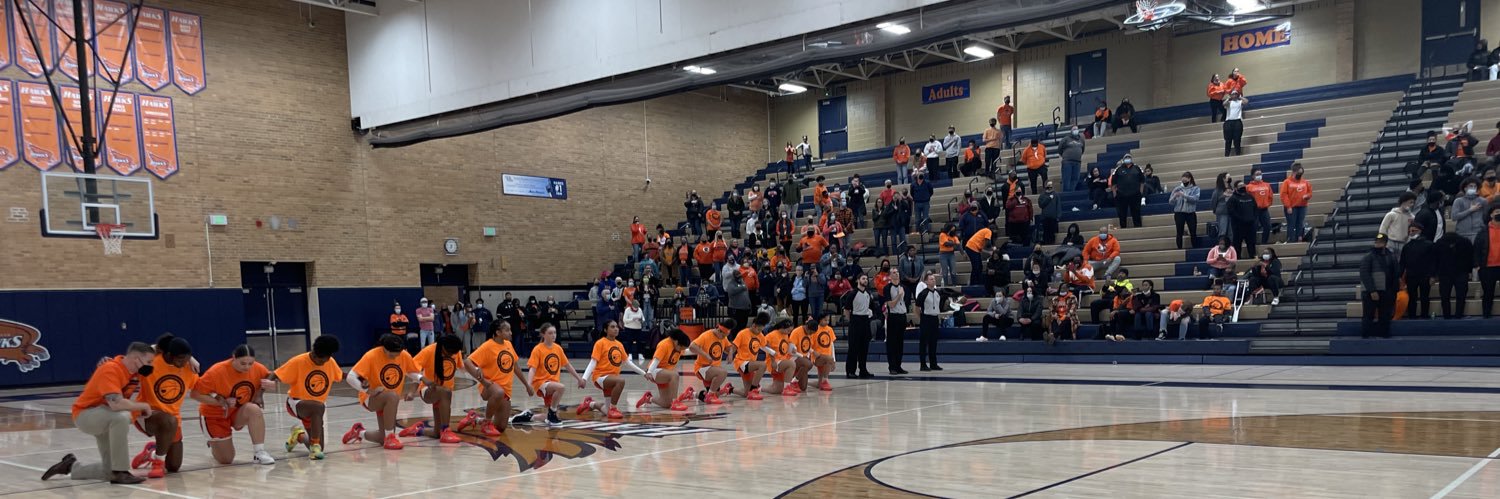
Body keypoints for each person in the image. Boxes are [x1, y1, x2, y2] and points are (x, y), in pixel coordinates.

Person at [41, 342, 158, 484]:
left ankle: (70, 466)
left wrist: (190, 358)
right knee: (122, 417)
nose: (151, 365)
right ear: (136, 359)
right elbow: (116, 404)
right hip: (86, 415)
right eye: (149, 362)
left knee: (108, 471)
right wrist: (143, 406)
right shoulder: (110, 369)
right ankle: (121, 472)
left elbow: (163, 345)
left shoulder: (133, 372)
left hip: (105, 416)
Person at [119, 334, 195, 479]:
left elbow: (200, 389)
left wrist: (219, 398)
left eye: (186, 358)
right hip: (147, 414)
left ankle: (151, 452)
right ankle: (157, 463)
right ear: (168, 354)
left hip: (172, 419)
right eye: (180, 359)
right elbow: (130, 362)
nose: (183, 362)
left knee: (174, 466)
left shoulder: (189, 367)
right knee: (168, 420)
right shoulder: (151, 363)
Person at [193, 345, 276, 465]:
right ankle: (213, 442)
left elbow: (272, 375)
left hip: (237, 412)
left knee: (253, 409)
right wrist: (220, 401)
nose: (247, 367)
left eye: (250, 363)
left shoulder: (258, 368)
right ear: (233, 358)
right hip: (214, 415)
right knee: (226, 460)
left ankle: (259, 452)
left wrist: (265, 390)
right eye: (243, 363)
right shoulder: (216, 371)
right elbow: (196, 394)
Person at [342, 333, 421, 450]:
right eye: (392, 355)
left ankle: (358, 432)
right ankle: (390, 438)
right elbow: (351, 377)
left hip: (390, 400)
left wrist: (415, 386)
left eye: (397, 355)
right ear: (384, 349)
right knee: (392, 396)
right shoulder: (371, 356)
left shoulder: (404, 355)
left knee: (381, 438)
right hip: (372, 398)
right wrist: (368, 390)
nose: (395, 358)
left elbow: (413, 372)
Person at [459, 322, 534, 436]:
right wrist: (483, 381)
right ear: (498, 332)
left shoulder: (508, 344)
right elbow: (467, 362)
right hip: (490, 387)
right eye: (507, 330)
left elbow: (515, 366)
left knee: (501, 427)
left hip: (505, 390)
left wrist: (526, 385)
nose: (511, 333)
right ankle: (487, 422)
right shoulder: (488, 346)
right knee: (499, 392)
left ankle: (474, 419)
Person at [397, 334, 467, 442]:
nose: (451, 355)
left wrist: (479, 372)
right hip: (428, 390)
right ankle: (446, 431)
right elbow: (412, 370)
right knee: (446, 392)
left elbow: (463, 367)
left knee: (436, 433)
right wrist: (411, 392)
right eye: (449, 353)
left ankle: (417, 430)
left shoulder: (455, 351)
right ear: (443, 346)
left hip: (444, 396)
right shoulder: (429, 351)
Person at [577, 320, 650, 419]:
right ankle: (613, 408)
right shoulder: (600, 343)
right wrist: (584, 379)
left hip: (612, 378)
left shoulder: (619, 345)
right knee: (620, 381)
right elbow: (592, 362)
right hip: (601, 377)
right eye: (612, 327)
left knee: (606, 412)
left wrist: (644, 373)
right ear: (605, 330)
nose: (616, 329)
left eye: (616, 327)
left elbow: (628, 363)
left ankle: (590, 404)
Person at [637, 329, 699, 411]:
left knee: (666, 404)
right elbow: (656, 360)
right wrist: (649, 372)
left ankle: (648, 398)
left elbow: (686, 352)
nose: (681, 350)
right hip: (655, 371)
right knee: (674, 375)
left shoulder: (677, 345)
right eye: (681, 348)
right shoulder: (664, 345)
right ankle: (675, 402)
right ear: (677, 342)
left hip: (666, 374)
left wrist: (701, 351)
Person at [725, 313, 775, 400]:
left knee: (745, 393)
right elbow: (733, 346)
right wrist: (730, 354)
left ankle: (730, 389)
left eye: (761, 330)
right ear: (754, 326)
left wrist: (773, 358)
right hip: (741, 362)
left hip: (751, 364)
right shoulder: (743, 333)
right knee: (762, 365)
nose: (759, 332)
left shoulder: (760, 335)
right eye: (758, 329)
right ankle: (754, 389)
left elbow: (766, 346)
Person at [1360, 234, 1401, 337]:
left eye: (1381, 242)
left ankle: (1384, 335)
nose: (1378, 244)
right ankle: (1365, 337)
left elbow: (1396, 274)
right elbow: (1364, 274)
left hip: (1387, 291)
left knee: (1385, 316)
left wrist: (1394, 290)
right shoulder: (1368, 256)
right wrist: (1372, 290)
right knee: (1368, 315)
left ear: (1385, 243)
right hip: (1371, 292)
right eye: (1377, 242)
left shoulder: (1391, 256)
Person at [691, 320, 735, 404]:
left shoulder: (723, 337)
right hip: (702, 368)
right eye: (723, 335)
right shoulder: (706, 335)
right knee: (723, 372)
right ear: (719, 330)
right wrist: (706, 355)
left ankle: (693, 394)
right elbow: (692, 346)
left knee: (716, 395)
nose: (724, 338)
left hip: (713, 370)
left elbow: (729, 347)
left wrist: (730, 353)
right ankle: (710, 395)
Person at [841, 274, 875, 379]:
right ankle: (850, 371)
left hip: (865, 321)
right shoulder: (852, 294)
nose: (865, 280)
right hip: (855, 321)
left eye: (866, 279)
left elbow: (871, 307)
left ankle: (863, 370)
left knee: (864, 348)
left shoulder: (868, 293)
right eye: (863, 278)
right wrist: (852, 320)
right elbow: (846, 310)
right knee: (853, 348)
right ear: (858, 280)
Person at [1437, 230, 1476, 319]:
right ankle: (1459, 315)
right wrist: (1469, 271)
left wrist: (1435, 273)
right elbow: (1470, 257)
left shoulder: (1439, 243)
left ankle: (1446, 315)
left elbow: (1435, 259)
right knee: (1461, 296)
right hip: (1462, 272)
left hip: (1444, 273)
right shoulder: (1466, 242)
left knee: (1445, 296)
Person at [791, 316, 837, 391]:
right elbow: (791, 350)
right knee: (809, 364)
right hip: (795, 358)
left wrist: (811, 352)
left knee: (803, 388)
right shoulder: (796, 332)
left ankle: (824, 381)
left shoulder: (812, 332)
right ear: (807, 327)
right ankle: (793, 381)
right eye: (810, 332)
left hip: (805, 358)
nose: (811, 334)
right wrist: (806, 355)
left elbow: (807, 346)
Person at [1401, 223, 1436, 319]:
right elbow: (1402, 263)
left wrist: (1433, 275)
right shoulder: (1407, 246)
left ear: (1420, 231)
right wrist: (1400, 277)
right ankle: (1412, 315)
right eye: (1410, 231)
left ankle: (1424, 315)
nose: (1411, 233)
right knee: (1412, 298)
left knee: (1425, 297)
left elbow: (1433, 261)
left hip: (1425, 275)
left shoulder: (1429, 244)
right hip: (1411, 276)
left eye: (1413, 231)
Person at [915, 273, 945, 371]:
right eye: (931, 279)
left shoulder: (938, 293)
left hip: (935, 319)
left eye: (934, 279)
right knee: (924, 343)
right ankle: (923, 364)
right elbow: (916, 308)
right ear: (926, 281)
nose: (933, 280)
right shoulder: (923, 293)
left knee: (933, 342)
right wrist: (922, 318)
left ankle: (933, 363)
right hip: (926, 319)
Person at [1476, 206, 1500, 318]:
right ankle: (1486, 315)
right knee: (1488, 293)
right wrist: (1477, 265)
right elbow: (1477, 248)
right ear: (1491, 215)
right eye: (1497, 212)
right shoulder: (1483, 231)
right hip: (1487, 267)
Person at [1280, 163, 1313, 243]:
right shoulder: (1287, 182)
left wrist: (1307, 196)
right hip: (1292, 207)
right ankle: (1291, 240)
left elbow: (1310, 192)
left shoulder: (1305, 182)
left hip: (1302, 206)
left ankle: (1299, 239)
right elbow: (1284, 195)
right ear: (1294, 172)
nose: (1300, 174)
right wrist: (1288, 206)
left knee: (1300, 223)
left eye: (1301, 173)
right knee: (1291, 224)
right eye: (1299, 172)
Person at [884, 269, 909, 374]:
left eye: (897, 272)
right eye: (893, 272)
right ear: (890, 276)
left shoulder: (904, 287)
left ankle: (898, 366)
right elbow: (891, 305)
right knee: (892, 343)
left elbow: (906, 303)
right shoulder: (887, 288)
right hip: (893, 317)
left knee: (900, 343)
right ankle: (892, 366)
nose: (896, 273)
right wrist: (899, 295)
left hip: (902, 316)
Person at [1110, 155, 1145, 228]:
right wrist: (1114, 194)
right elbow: (1113, 183)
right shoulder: (1118, 169)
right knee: (1122, 214)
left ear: (1131, 159)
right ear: (1123, 159)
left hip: (1135, 195)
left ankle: (1138, 228)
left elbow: (1142, 181)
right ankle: (1123, 227)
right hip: (1121, 195)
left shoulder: (1137, 168)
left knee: (1136, 212)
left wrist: (1140, 192)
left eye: (1129, 157)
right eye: (1126, 158)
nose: (1127, 159)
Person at [1453, 178, 1489, 243]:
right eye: (1471, 186)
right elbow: (1454, 217)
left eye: (1475, 186)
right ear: (1465, 188)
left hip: (1478, 233)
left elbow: (1486, 217)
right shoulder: (1458, 201)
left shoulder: (1483, 201)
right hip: (1462, 233)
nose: (1473, 188)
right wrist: (1470, 210)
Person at [1228, 179, 1258, 256]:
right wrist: (1241, 219)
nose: (1243, 187)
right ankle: (1237, 260)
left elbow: (1255, 208)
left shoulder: (1250, 196)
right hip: (1238, 226)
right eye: (1240, 186)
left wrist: (1253, 218)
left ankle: (1252, 258)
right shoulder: (1232, 199)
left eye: (1243, 185)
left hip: (1250, 225)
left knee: (1251, 244)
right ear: (1235, 188)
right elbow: (1231, 212)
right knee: (1237, 245)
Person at [1171, 172, 1201, 249]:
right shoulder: (1177, 189)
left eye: (1185, 180)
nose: (1184, 182)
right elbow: (1170, 202)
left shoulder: (1195, 188)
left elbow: (1195, 199)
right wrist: (1175, 196)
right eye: (1182, 181)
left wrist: (1184, 195)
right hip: (1179, 213)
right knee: (1179, 232)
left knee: (1193, 231)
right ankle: (1179, 249)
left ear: (1189, 179)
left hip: (1190, 213)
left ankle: (1195, 248)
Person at [1246, 168, 1274, 244]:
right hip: (1254, 211)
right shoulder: (1248, 187)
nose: (1259, 176)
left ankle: (1264, 242)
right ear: (1252, 176)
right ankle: (1253, 243)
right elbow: (1246, 199)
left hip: (1264, 209)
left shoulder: (1267, 185)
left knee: (1267, 226)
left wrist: (1267, 204)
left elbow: (1270, 196)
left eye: (1260, 174)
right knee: (1253, 228)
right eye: (1257, 174)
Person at [966, 220, 997, 287]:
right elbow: (987, 242)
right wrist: (992, 248)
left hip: (972, 247)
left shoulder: (984, 232)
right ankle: (973, 283)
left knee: (979, 266)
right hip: (972, 247)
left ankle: (977, 282)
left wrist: (988, 251)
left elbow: (982, 249)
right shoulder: (988, 231)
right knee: (976, 267)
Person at [1058, 126, 1085, 191]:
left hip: (1077, 162)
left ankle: (1071, 192)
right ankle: (1066, 193)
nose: (1075, 130)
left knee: (1075, 178)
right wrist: (1065, 156)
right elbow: (1060, 148)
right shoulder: (1066, 139)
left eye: (1076, 129)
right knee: (1066, 178)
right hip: (1067, 161)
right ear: (1071, 131)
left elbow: (1083, 149)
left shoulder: (1081, 140)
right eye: (1074, 129)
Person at [1222, 91, 1247, 156]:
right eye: (1233, 94)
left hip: (1237, 121)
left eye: (1236, 94)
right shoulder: (1229, 103)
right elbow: (1224, 104)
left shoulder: (1239, 102)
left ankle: (1238, 153)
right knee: (1228, 140)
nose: (1234, 95)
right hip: (1228, 122)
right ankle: (1227, 154)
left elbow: (1246, 102)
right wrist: (1228, 98)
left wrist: (1240, 97)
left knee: (1237, 139)